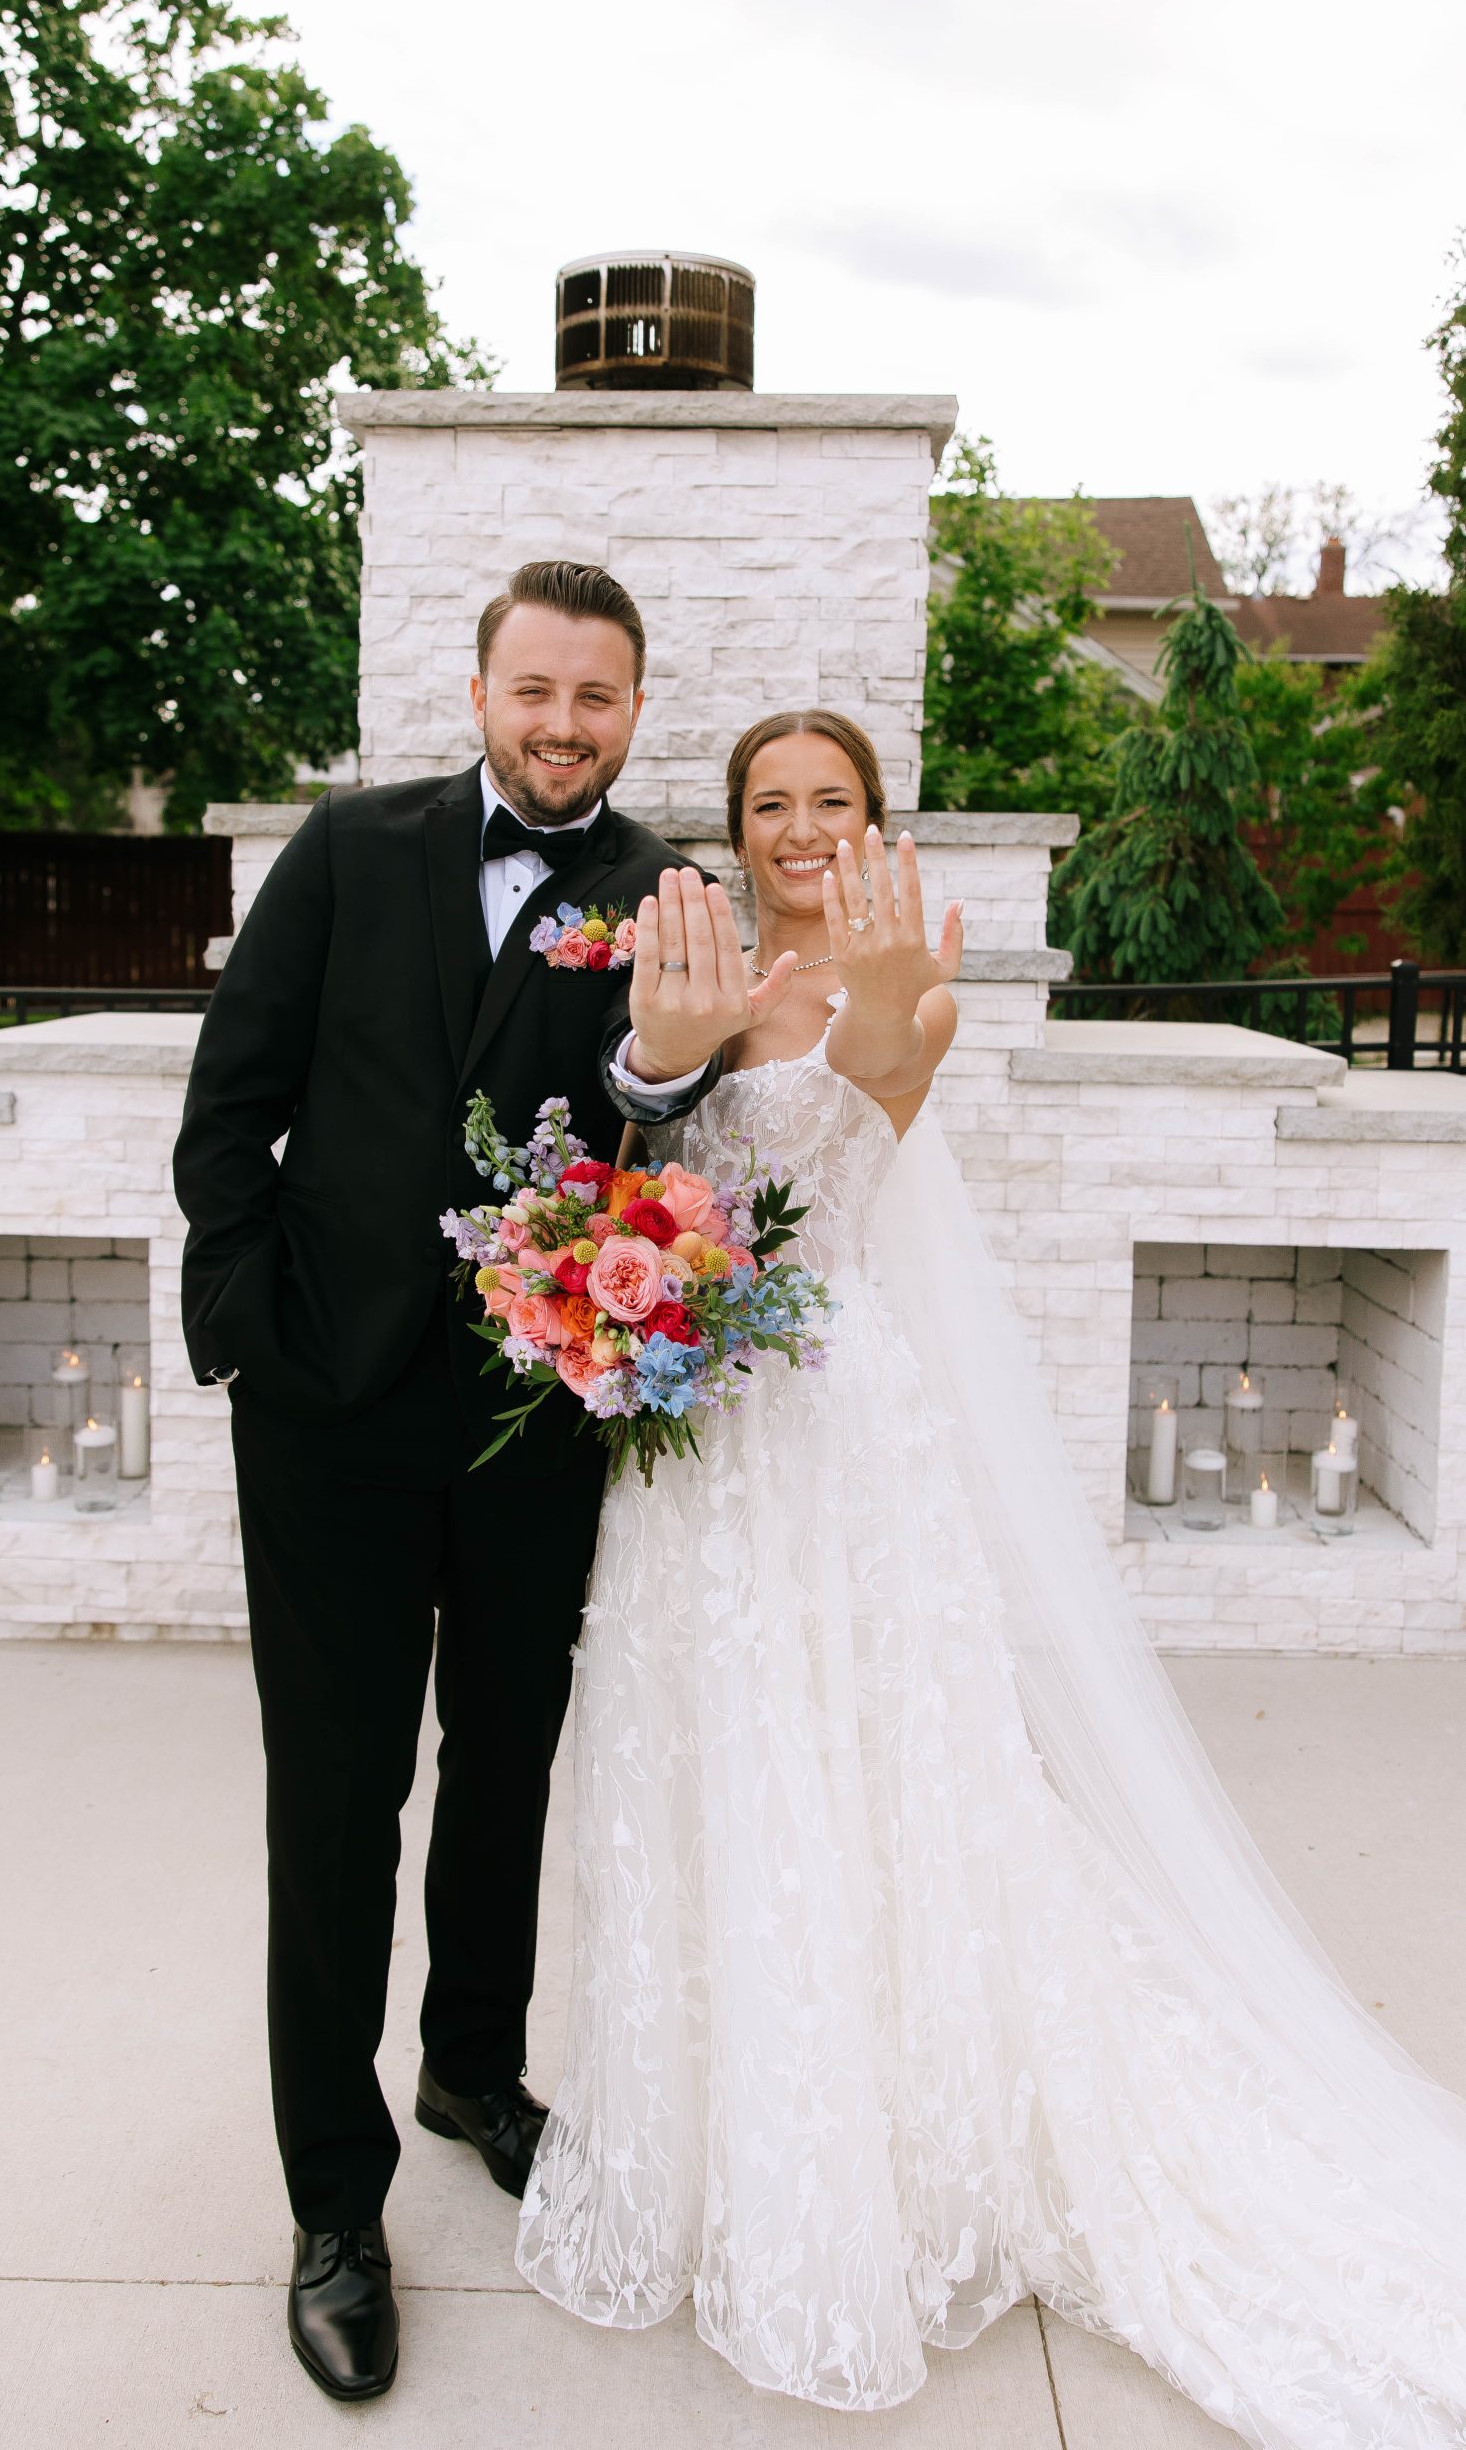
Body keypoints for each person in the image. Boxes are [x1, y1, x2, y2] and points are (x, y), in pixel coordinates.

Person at [517, 708, 1466, 2446]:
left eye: (835, 801)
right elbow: (640, 1151)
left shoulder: (911, 980)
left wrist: (863, 991)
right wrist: (661, 1065)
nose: (802, 828)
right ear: (730, 829)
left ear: (876, 819)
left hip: (836, 1433)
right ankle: (732, 2151)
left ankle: (888, 2161)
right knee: (712, 1766)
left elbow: (878, 1074)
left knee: (867, 1777)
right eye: (771, 804)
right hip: (695, 1450)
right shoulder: (689, 953)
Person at [171, 561, 793, 2406]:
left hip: (542, 1409)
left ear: (632, 710)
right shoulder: (347, 850)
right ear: (477, 690)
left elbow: (655, 1116)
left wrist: (664, 1075)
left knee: (509, 1759)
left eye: (597, 700)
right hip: (325, 1415)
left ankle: (470, 2065)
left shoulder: (668, 893)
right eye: (536, 689)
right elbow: (231, 1101)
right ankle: (335, 2203)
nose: (562, 725)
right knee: (338, 1798)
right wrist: (243, 1335)